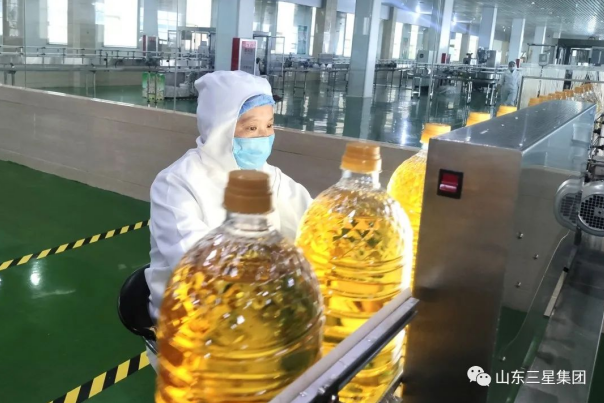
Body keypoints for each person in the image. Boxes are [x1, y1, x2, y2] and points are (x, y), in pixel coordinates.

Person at [145, 71, 312, 354]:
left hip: (258, 305)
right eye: (251, 128)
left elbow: (312, 219)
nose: (264, 136)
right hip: (191, 317)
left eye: (269, 125)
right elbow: (198, 264)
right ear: (220, 128)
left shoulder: (268, 175)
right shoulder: (177, 182)